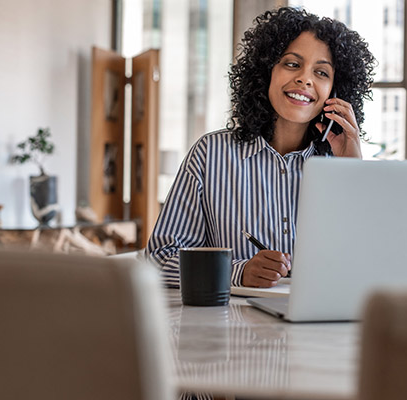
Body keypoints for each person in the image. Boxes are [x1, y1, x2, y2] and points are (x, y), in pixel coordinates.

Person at [147, 6, 375, 288]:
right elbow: (158, 260)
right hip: (232, 327)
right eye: (292, 64)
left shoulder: (340, 164)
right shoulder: (210, 154)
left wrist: (353, 171)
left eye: (321, 72)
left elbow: (370, 264)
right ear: (265, 72)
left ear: (335, 92)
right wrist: (237, 273)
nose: (305, 79)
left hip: (322, 327)